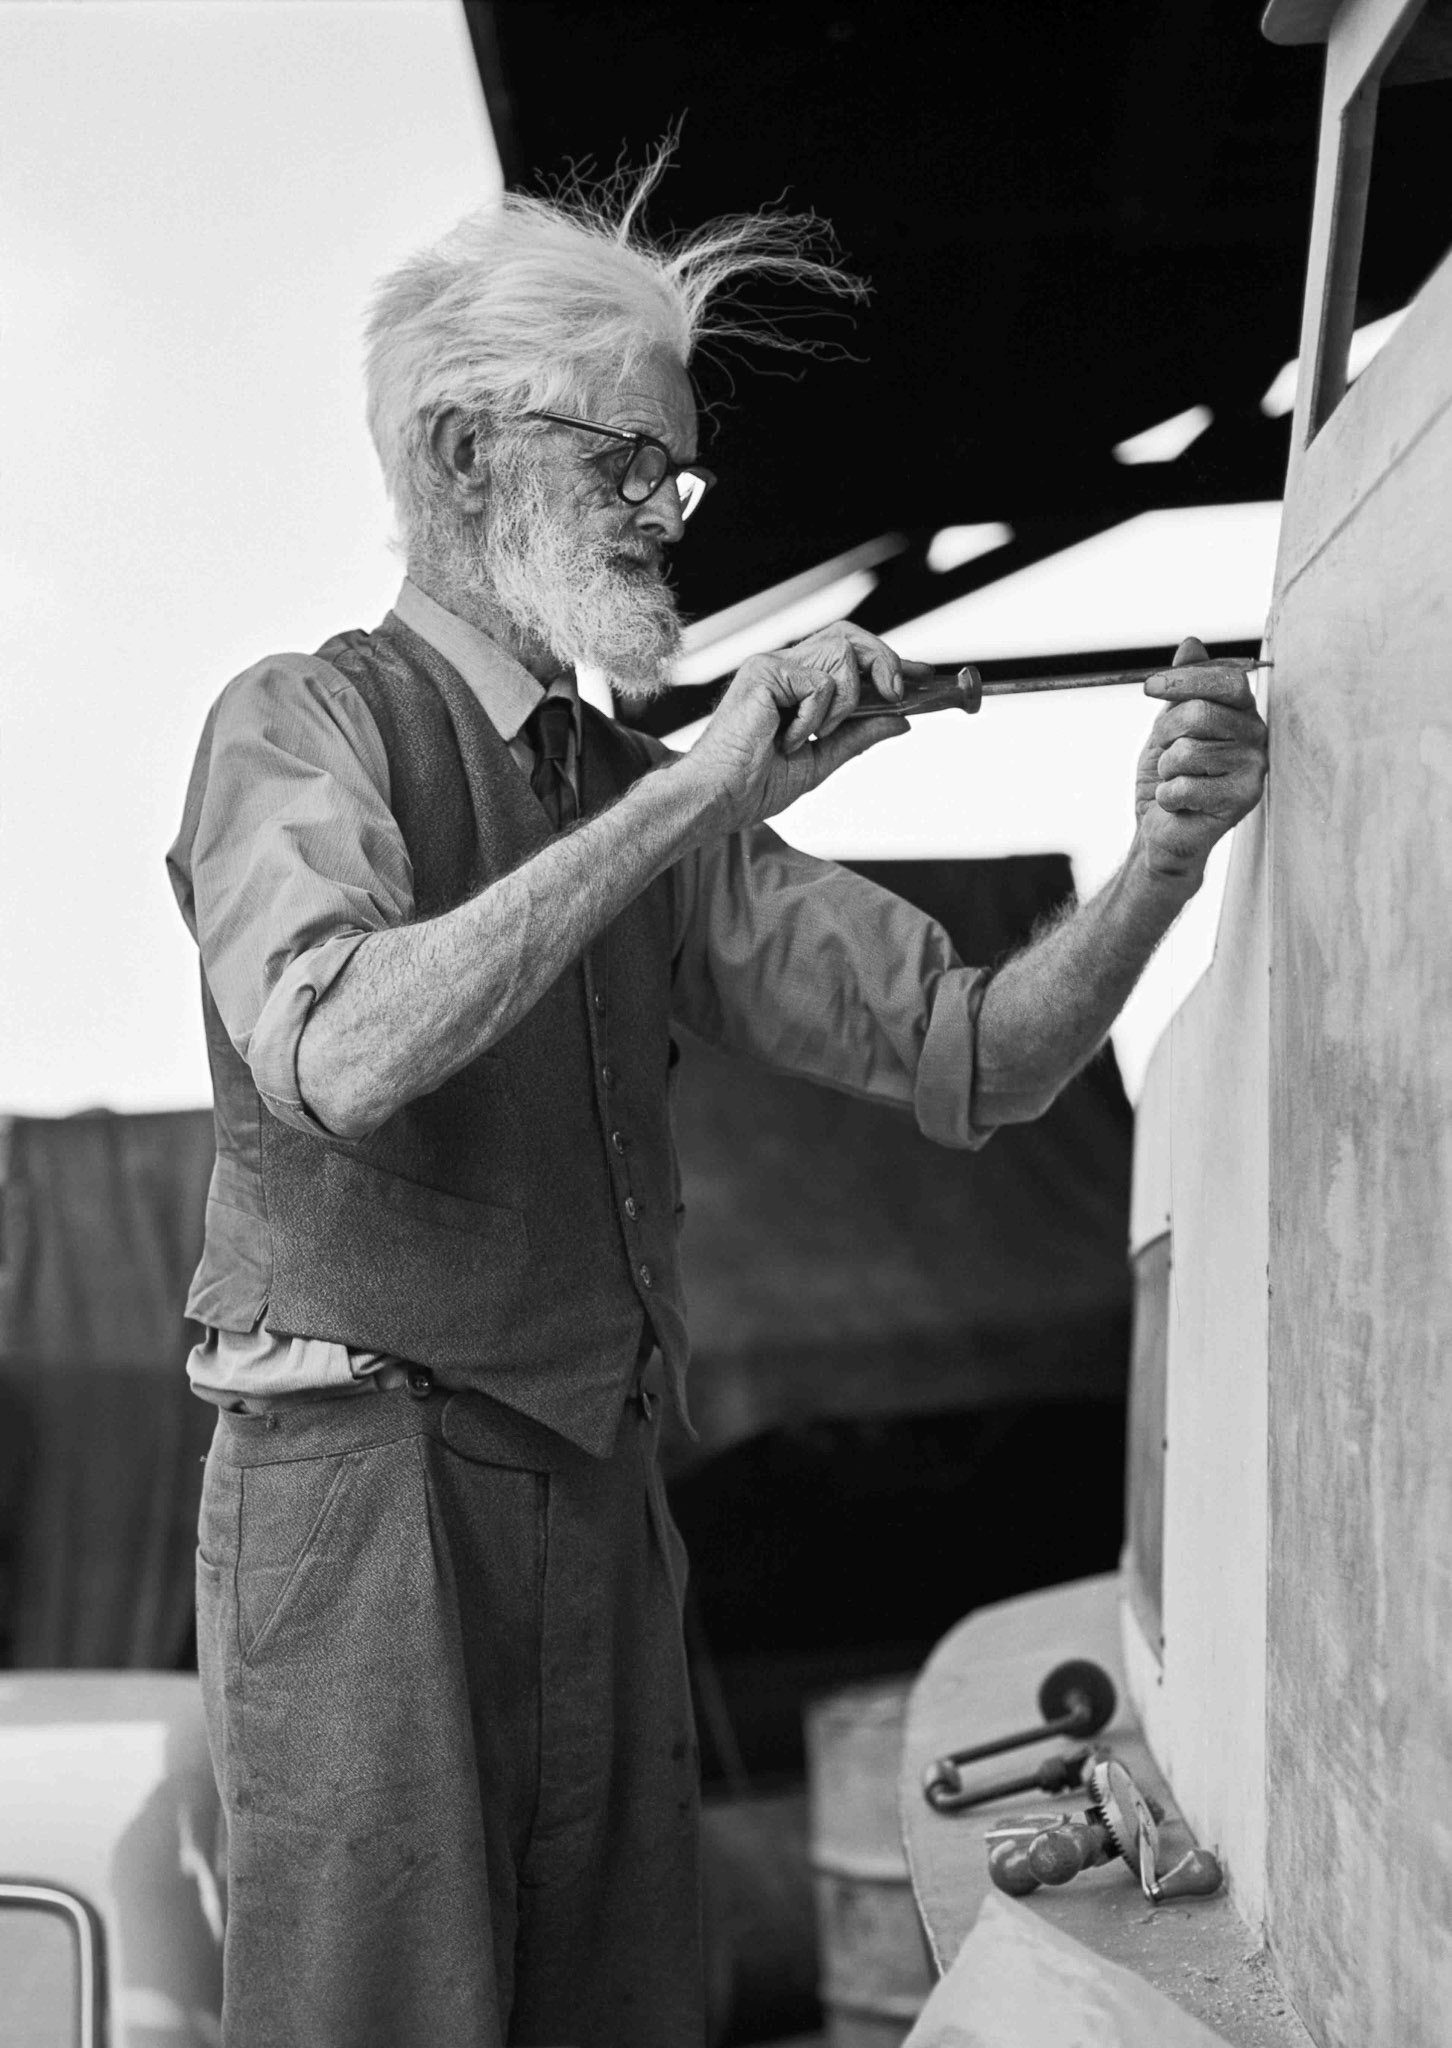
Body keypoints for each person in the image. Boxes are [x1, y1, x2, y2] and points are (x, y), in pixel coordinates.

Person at [168, 167, 1267, 2048]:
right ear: (457, 455)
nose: (663, 520)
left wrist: (1165, 856)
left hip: (596, 1493)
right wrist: (704, 787)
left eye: (675, 477)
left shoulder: (626, 783)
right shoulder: (302, 723)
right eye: (625, 467)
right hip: (366, 1510)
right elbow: (343, 1054)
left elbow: (985, 1056)